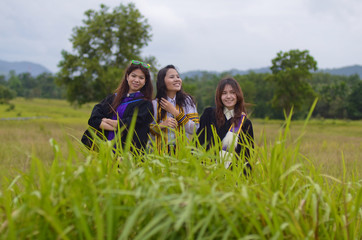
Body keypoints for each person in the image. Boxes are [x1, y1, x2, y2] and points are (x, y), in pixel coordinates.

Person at [81, 60, 154, 152]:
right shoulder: (112, 98)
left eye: (141, 78)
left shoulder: (145, 104)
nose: (136, 80)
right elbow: (93, 119)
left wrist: (106, 121)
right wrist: (115, 126)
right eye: (133, 76)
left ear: (145, 81)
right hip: (104, 152)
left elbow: (131, 125)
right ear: (127, 77)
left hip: (127, 156)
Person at [197, 77, 254, 171]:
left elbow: (247, 156)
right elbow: (197, 144)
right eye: (224, 93)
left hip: (233, 176)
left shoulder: (245, 123)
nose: (228, 96)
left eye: (232, 92)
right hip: (207, 172)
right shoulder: (209, 115)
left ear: (238, 95)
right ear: (219, 96)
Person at [150, 65, 199, 152]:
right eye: (172, 77)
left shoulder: (187, 101)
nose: (177, 79)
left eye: (178, 77)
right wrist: (162, 125)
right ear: (162, 81)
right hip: (159, 154)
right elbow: (147, 131)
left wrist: (175, 112)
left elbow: (195, 129)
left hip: (183, 154)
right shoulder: (154, 104)